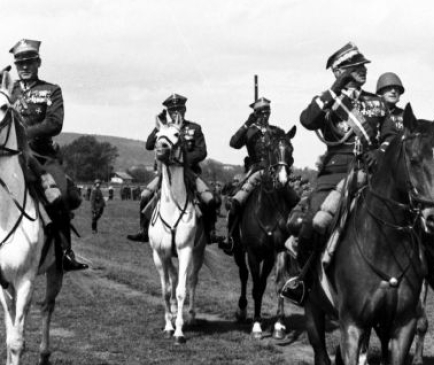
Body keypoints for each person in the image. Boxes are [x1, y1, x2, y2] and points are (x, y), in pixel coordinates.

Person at [281, 42, 389, 305]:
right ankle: (303, 281)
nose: (364, 71)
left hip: (370, 171)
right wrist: (336, 88)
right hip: (335, 172)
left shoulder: (375, 102)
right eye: (357, 67)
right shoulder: (328, 101)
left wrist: (382, 151)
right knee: (312, 223)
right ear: (342, 71)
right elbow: (307, 120)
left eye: (363, 66)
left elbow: (390, 135)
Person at [9, 39, 88, 271]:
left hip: (41, 155)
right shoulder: (6, 91)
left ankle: (64, 252)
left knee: (60, 195)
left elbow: (54, 123)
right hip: (8, 155)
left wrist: (22, 133)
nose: (24, 67)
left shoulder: (50, 90)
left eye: (29, 62)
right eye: (20, 63)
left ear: (38, 63)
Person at [126, 94, 218, 243]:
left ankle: (209, 232)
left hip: (189, 173)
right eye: (172, 110)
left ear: (184, 110)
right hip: (165, 175)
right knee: (144, 196)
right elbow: (149, 145)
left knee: (209, 199)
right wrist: (160, 125)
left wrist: (184, 161)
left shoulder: (194, 128)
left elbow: (202, 151)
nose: (176, 113)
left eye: (179, 109)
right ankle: (143, 230)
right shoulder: (164, 129)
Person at [218, 97, 299, 253]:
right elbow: (234, 143)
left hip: (274, 172)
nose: (265, 115)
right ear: (255, 113)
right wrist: (247, 123)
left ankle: (294, 236)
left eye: (267, 111)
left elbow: (286, 144)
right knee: (237, 200)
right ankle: (230, 237)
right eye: (261, 112)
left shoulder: (276, 131)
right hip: (255, 171)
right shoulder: (249, 131)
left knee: (294, 200)